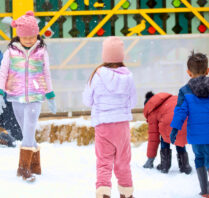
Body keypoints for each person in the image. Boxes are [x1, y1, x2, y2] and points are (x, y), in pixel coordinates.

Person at [0, 11, 56, 182]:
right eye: (25, 37)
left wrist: (50, 95)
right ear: (18, 36)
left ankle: (23, 169)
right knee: (25, 131)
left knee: (29, 128)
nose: (29, 40)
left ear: (37, 34)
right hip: (15, 96)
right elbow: (2, 73)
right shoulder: (11, 52)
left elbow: (46, 73)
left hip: (35, 96)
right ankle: (36, 165)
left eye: (32, 36)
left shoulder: (42, 51)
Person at [82, 36, 136, 198]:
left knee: (104, 162)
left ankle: (103, 191)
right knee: (123, 162)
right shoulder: (128, 76)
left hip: (103, 125)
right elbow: (132, 101)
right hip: (122, 126)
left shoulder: (97, 75)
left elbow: (87, 100)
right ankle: (126, 192)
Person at [170, 52, 209, 197]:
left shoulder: (185, 91)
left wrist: (174, 129)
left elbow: (180, 112)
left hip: (196, 136)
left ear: (188, 73)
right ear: (207, 71)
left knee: (199, 158)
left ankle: (205, 191)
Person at [143, 91, 192, 174]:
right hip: (185, 120)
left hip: (169, 122)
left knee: (164, 135)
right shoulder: (169, 98)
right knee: (179, 137)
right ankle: (185, 166)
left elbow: (153, 137)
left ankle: (165, 165)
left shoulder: (152, 110)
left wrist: (150, 158)